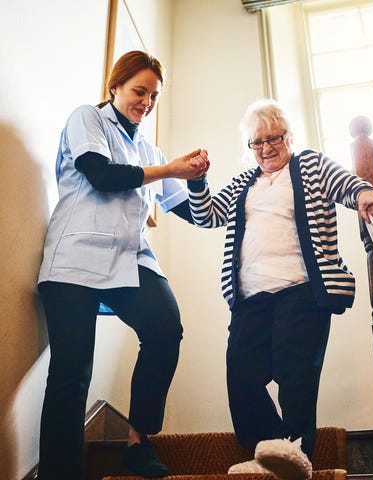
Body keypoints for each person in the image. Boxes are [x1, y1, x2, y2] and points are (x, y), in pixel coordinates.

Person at [186, 98, 373, 480]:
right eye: (257, 142)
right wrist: (197, 180)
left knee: (293, 369)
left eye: (273, 138)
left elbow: (344, 182)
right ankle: (269, 452)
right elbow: (206, 215)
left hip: (301, 290)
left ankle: (296, 451)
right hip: (250, 297)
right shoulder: (244, 183)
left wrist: (364, 195)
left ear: (289, 136)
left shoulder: (310, 164)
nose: (265, 147)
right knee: (241, 374)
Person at [36, 50, 208, 480]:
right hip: (74, 259)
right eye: (138, 91)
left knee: (166, 329)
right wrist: (170, 168)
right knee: (72, 372)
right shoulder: (87, 119)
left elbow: (189, 210)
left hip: (131, 257)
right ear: (115, 87)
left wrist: (199, 176)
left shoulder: (149, 147)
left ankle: (138, 442)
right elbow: (101, 174)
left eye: (153, 95)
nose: (146, 102)